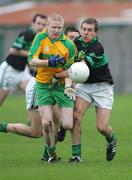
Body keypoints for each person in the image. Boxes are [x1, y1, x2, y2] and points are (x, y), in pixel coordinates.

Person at [28, 13, 76, 163]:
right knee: (46, 123)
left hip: (61, 86)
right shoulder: (40, 38)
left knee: (68, 124)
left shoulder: (68, 44)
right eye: (53, 27)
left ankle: (58, 134)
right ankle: (51, 154)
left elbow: (72, 69)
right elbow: (31, 60)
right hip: (43, 86)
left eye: (59, 28)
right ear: (47, 26)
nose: (56, 30)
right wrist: (48, 62)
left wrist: (61, 76)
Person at [67, 17, 116, 163]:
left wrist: (68, 79)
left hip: (102, 87)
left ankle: (111, 140)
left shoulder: (97, 48)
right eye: (84, 29)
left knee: (102, 127)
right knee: (76, 117)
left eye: (90, 30)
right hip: (85, 87)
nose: (86, 33)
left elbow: (80, 68)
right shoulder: (76, 43)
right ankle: (76, 156)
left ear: (96, 33)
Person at [0, 13, 47, 106]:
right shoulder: (27, 33)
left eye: (43, 24)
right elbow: (12, 50)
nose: (41, 26)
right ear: (32, 23)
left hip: (22, 71)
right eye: (38, 23)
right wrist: (31, 55)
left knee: (33, 94)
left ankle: (32, 120)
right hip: (10, 70)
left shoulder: (40, 38)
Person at [57, 25, 80, 142]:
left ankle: (76, 155)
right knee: (42, 127)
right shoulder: (57, 51)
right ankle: (48, 153)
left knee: (72, 119)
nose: (74, 41)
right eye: (71, 37)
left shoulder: (80, 54)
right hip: (51, 86)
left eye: (77, 38)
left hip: (69, 87)